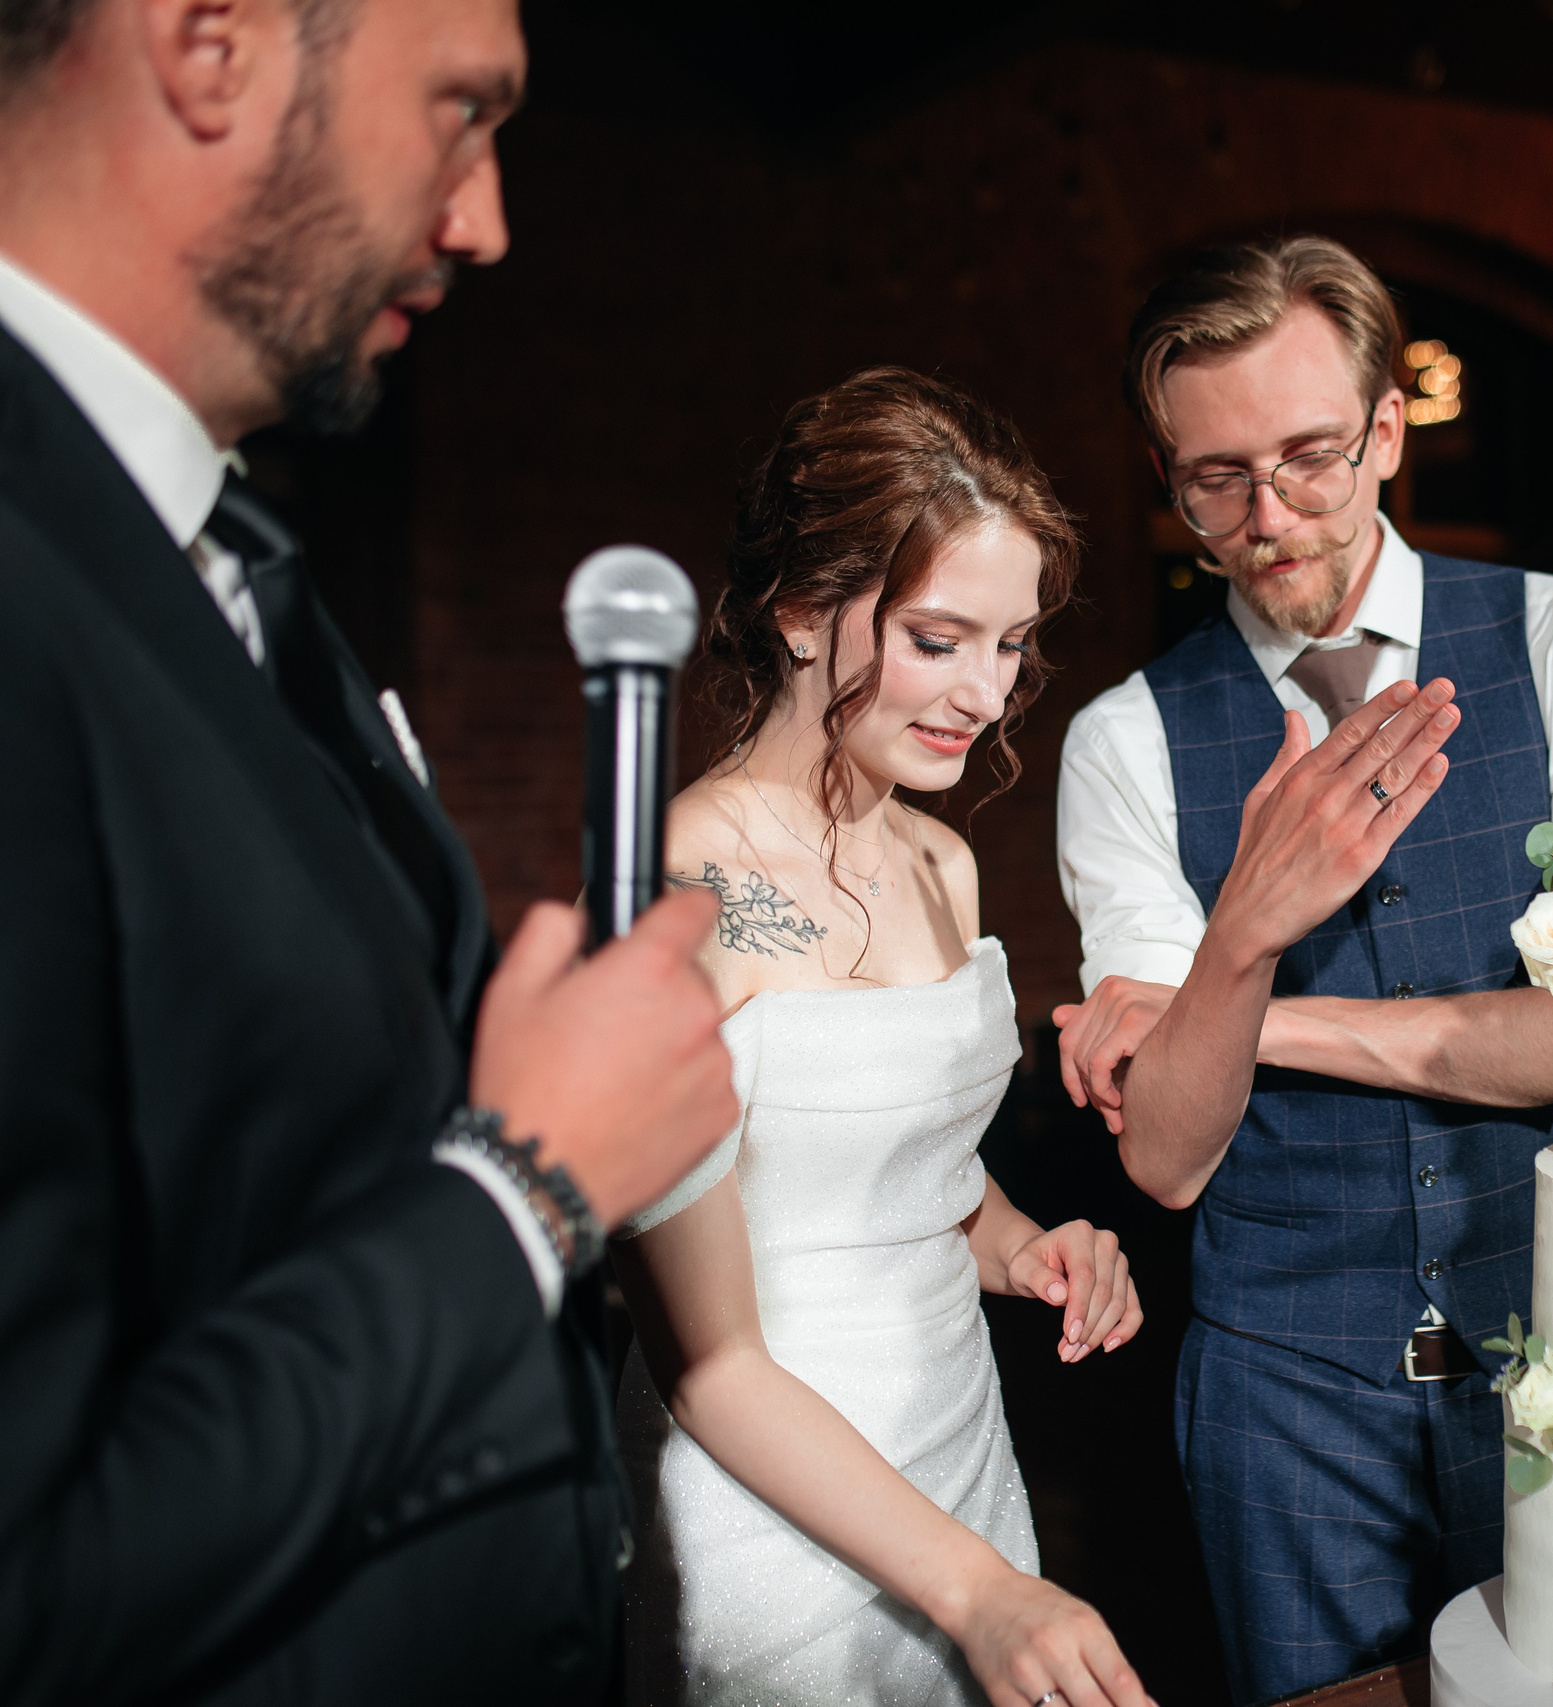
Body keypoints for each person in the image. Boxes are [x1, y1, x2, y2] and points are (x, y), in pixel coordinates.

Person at [0, 2, 738, 1703]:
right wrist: (528, 1188)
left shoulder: (232, 555)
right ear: (211, 47)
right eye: (463, 111)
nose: (485, 219)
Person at [1051, 235, 1553, 1700]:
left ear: (1388, 431)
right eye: (1216, 480)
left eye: (1311, 457)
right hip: (1284, 1389)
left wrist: (1238, 1011)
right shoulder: (1122, 740)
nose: (1269, 518)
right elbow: (1173, 1159)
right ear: (1166, 474)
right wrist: (1246, 922)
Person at [612, 367, 1153, 1707]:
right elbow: (708, 1360)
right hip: (764, 1494)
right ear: (803, 614)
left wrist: (1029, 1247)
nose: (984, 691)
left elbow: (907, 1169)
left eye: (1011, 644)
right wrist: (976, 1590)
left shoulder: (938, 866)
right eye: (937, 638)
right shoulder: (676, 888)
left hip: (959, 1451)